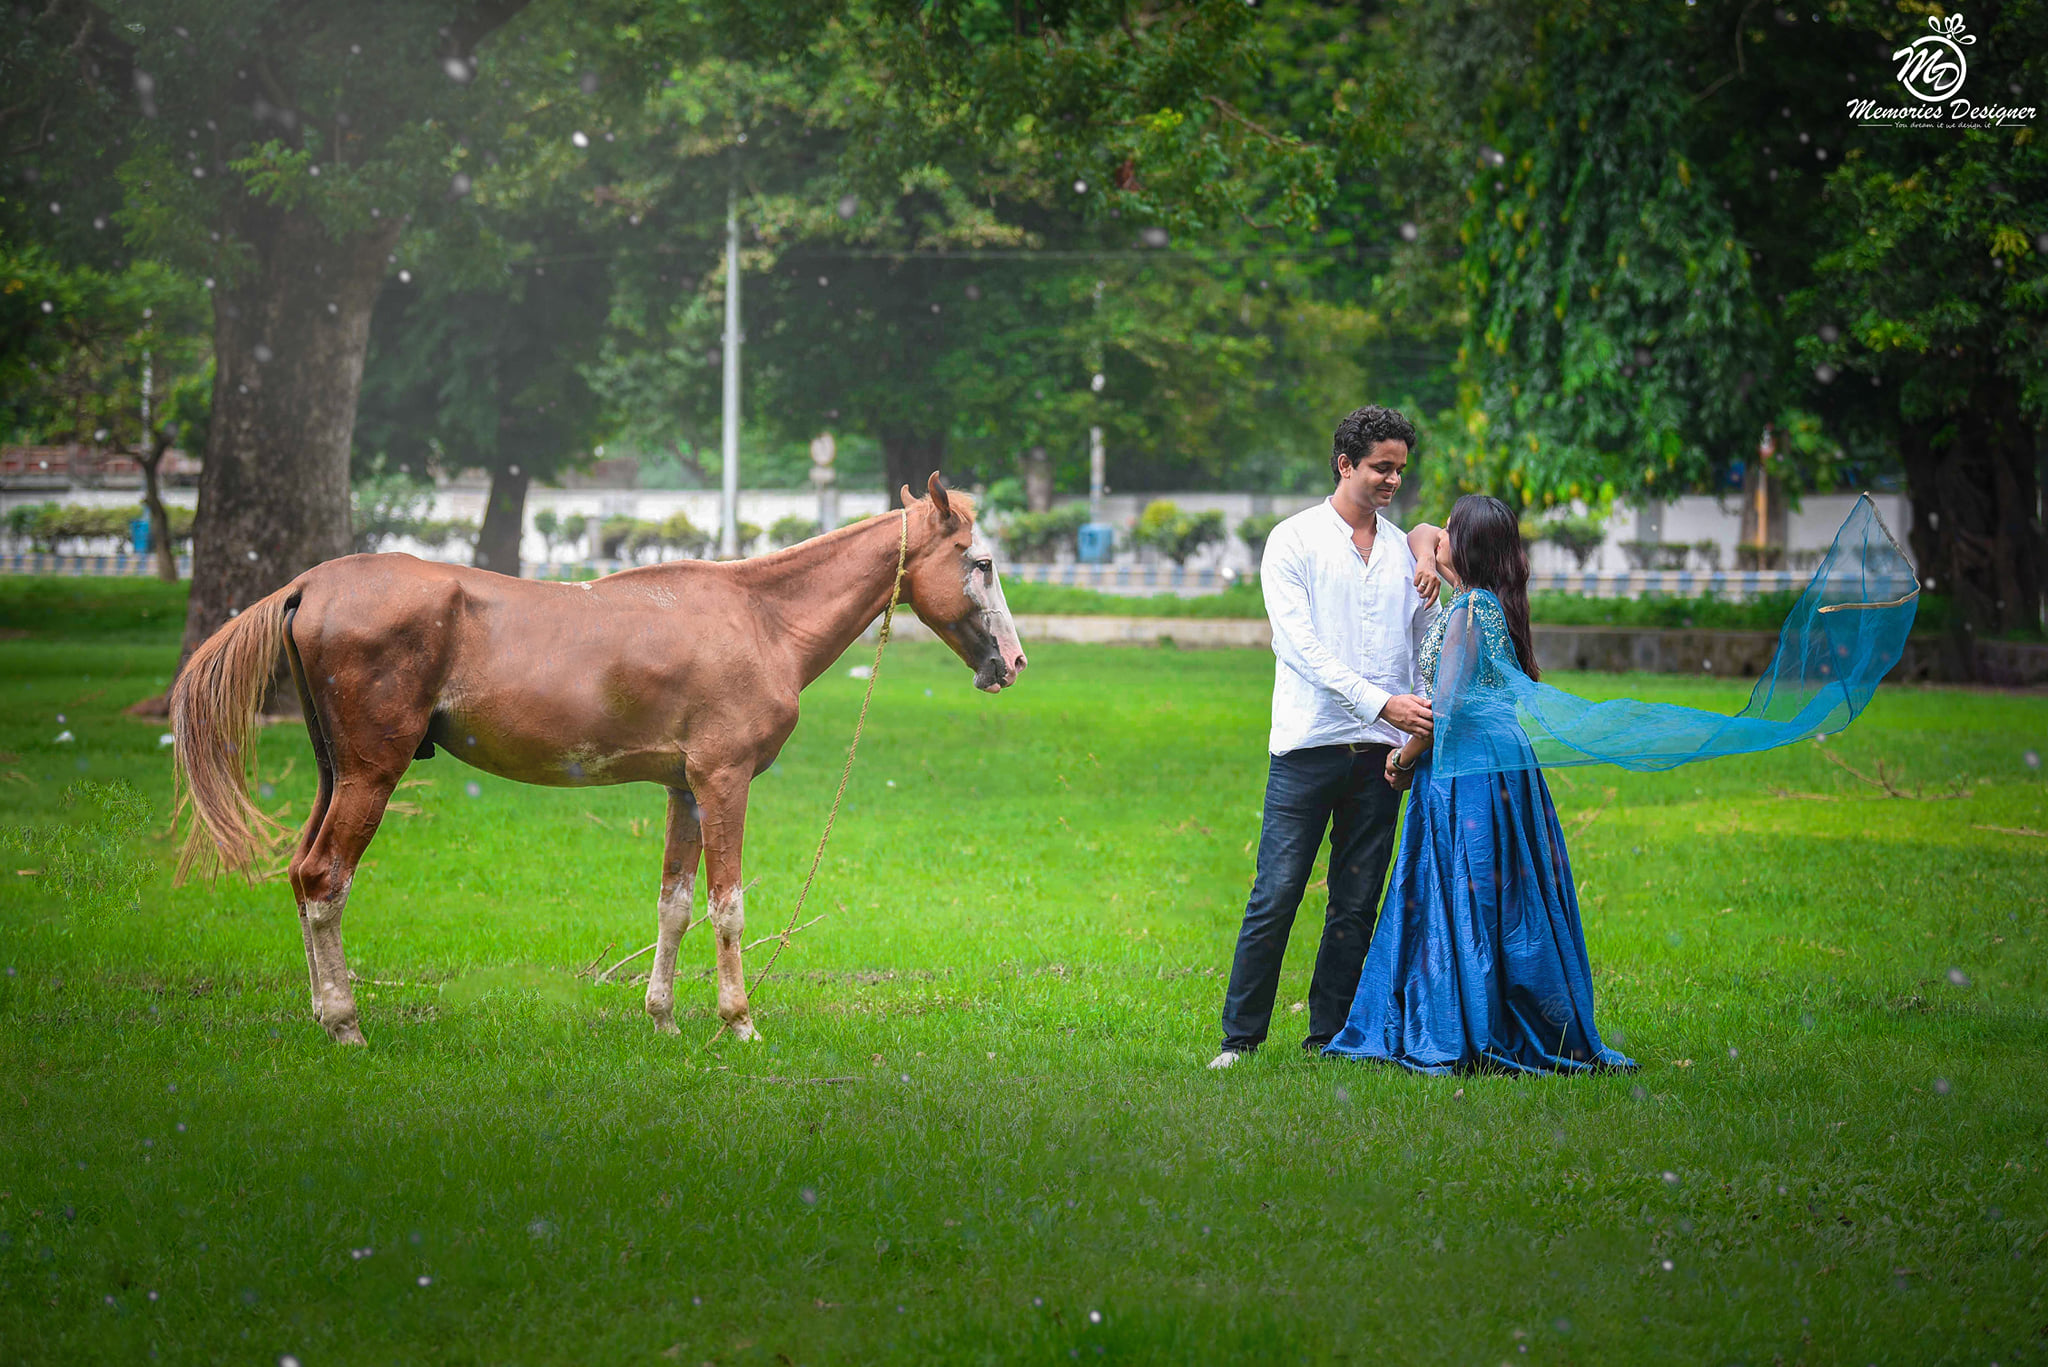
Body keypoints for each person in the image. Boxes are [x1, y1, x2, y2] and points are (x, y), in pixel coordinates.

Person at [1323, 495, 1636, 1073]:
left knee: (1474, 884)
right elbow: (1417, 532)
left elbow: (1447, 706)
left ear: (1465, 546)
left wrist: (1402, 760)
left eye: (1449, 531)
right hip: (1490, 760)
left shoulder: (1471, 610)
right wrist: (1427, 559)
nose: (1437, 534)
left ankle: (1472, 1019)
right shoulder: (1481, 598)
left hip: (1470, 766)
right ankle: (1482, 1005)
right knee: (1491, 887)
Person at [1209, 405, 1442, 1070]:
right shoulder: (1293, 540)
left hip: (1382, 758)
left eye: (1399, 469)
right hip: (1307, 747)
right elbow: (1298, 646)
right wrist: (1382, 702)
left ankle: (1331, 1038)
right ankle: (1240, 1040)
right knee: (1276, 894)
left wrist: (1414, 727)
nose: (1392, 479)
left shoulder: (1405, 552)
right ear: (1345, 464)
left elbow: (1424, 645)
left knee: (1356, 902)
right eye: (1380, 467)